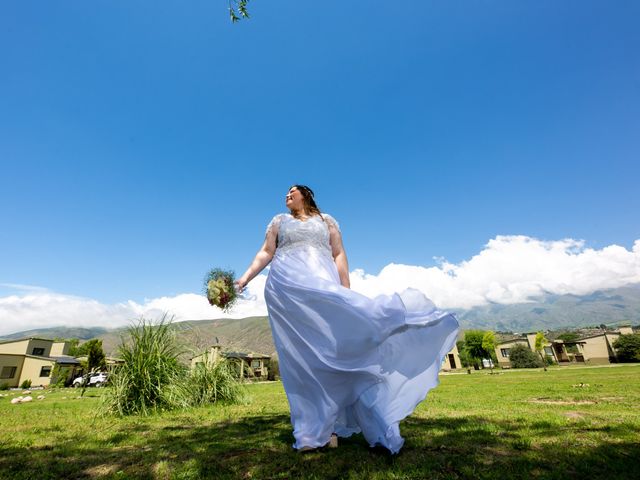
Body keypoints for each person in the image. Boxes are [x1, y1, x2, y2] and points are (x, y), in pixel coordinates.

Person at [235, 185, 459, 453]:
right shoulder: (279, 222)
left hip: (322, 285)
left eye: (292, 192)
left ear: (305, 195)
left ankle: (364, 420)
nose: (286, 195)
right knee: (300, 359)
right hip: (286, 290)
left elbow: (339, 253)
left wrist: (345, 290)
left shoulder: (326, 221)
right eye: (286, 193)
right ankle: (312, 432)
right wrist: (244, 278)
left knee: (336, 348)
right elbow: (266, 252)